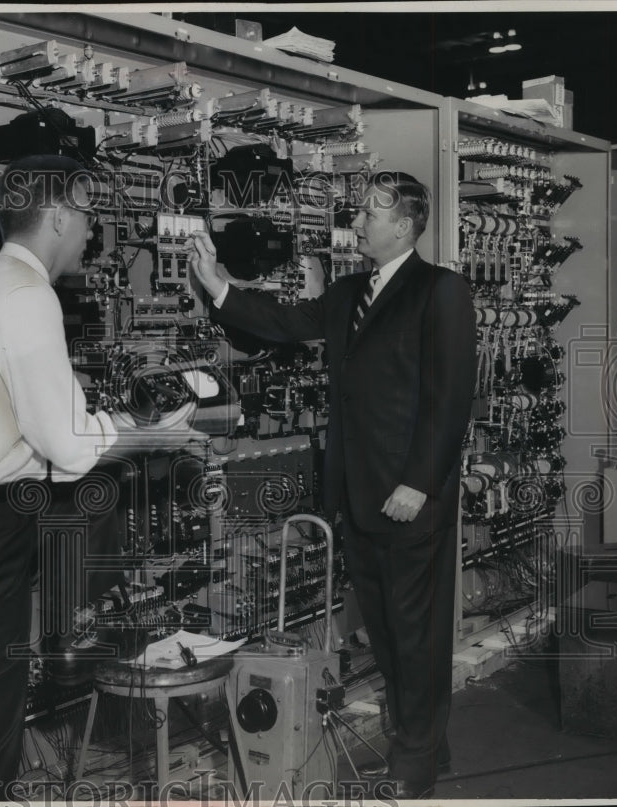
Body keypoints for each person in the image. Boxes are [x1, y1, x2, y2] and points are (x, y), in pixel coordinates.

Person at [0, 154, 197, 800]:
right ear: (58, 215)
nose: (90, 233)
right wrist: (155, 434)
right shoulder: (28, 298)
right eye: (86, 216)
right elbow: (69, 447)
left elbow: (38, 439)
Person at [186, 171, 476, 799]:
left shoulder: (441, 291)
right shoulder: (351, 294)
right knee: (387, 626)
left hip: (409, 496)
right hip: (358, 493)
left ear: (403, 226)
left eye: (372, 213)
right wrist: (220, 288)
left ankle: (416, 761)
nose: (358, 221)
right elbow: (286, 321)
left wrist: (420, 483)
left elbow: (451, 399)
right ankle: (427, 742)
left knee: (416, 629)